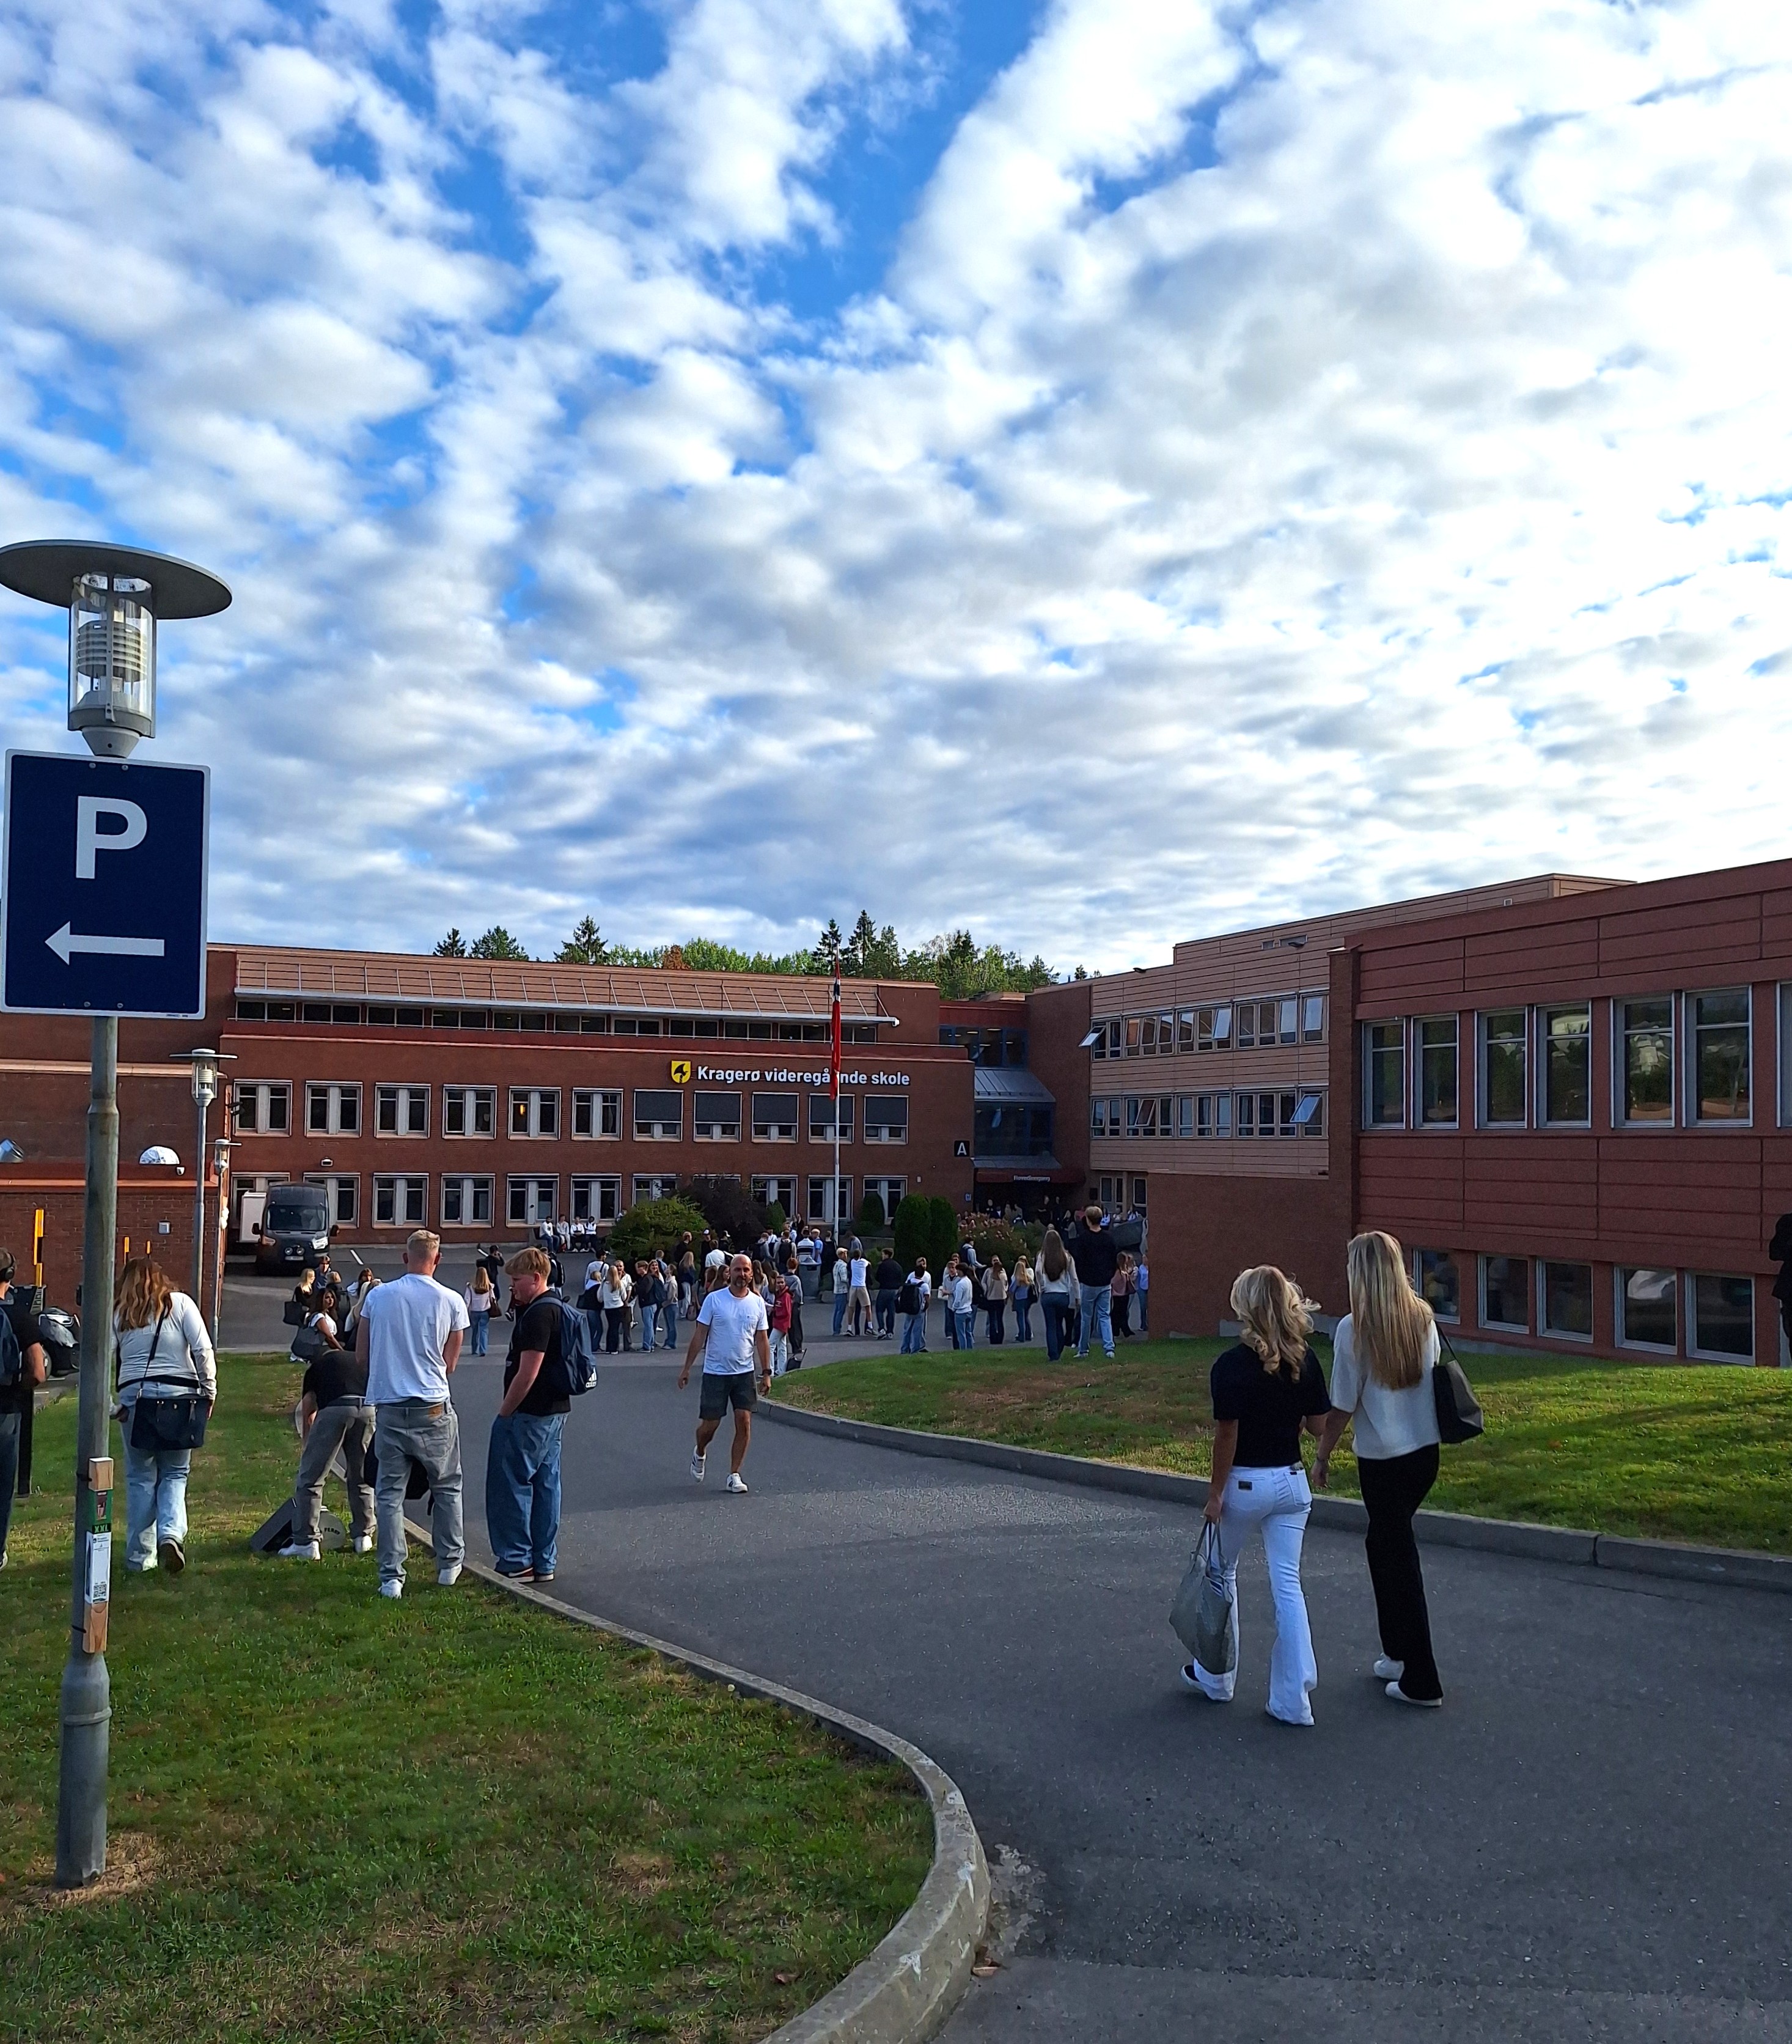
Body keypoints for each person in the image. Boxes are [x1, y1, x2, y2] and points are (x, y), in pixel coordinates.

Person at [1184, 1266, 1331, 1726]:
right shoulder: (1304, 1360)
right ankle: (1294, 1698)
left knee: (1221, 1575)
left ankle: (1217, 1677)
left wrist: (1215, 1493)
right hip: (1291, 1481)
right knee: (1288, 1584)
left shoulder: (1230, 1366)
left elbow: (1227, 1436)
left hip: (1246, 1483)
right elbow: (1318, 1426)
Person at [1313, 1232, 1445, 1708]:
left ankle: (1422, 1678)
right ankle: (1397, 1652)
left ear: (1360, 1274)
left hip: (1384, 1460)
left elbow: (1342, 1405)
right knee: (1385, 1544)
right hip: (1424, 1452)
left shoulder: (1353, 1329)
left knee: (1398, 1556)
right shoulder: (1423, 1318)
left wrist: (1323, 1454)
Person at [354, 1228, 469, 1600]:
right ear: (437, 1260)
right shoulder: (452, 1302)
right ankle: (449, 1563)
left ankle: (392, 1576)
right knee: (447, 1484)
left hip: (389, 1406)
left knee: (389, 1493)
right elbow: (450, 1364)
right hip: (433, 1405)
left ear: (405, 1258)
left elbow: (362, 1357)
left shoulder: (378, 1297)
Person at [112, 1256, 215, 1575]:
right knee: (174, 1473)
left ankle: (140, 1558)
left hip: (135, 1400)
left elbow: (99, 1359)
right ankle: (170, 1534)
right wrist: (208, 1391)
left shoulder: (120, 1314)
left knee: (141, 1477)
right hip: (179, 1399)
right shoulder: (180, 1304)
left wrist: (113, 1406)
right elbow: (203, 1350)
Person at [487, 1247, 570, 1584]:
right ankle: (544, 1559)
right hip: (555, 1410)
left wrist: (505, 1411)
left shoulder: (538, 1315)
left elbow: (528, 1372)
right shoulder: (560, 1310)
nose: (512, 1288)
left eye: (517, 1281)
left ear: (537, 1278)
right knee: (547, 1485)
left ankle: (516, 1559)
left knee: (511, 1484)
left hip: (530, 1413)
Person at [279, 1285, 373, 1561]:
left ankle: (307, 1542)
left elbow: (309, 1410)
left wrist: (308, 1444)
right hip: (367, 1409)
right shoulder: (354, 1360)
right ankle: (363, 1536)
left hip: (336, 1409)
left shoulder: (317, 1367)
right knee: (360, 1474)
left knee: (311, 1477)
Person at [678, 1252, 771, 1494]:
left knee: (744, 1421)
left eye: (746, 1270)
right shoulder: (714, 1300)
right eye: (738, 1270)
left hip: (744, 1373)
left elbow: (762, 1339)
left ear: (752, 1274)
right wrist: (687, 1368)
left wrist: (767, 1371)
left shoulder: (757, 1303)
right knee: (710, 1426)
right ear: (729, 1272)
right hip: (716, 1373)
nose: (742, 1274)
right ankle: (700, 1452)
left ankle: (734, 1474)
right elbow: (700, 1334)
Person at [0, 1249, 47, 1568]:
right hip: (6, 1407)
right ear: (10, 1276)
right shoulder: (19, 1316)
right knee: (3, 1483)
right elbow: (38, 1372)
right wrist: (19, 1384)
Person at [1069, 1207, 1118, 1359]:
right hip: (1105, 1282)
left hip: (1089, 1283)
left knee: (1086, 1317)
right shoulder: (1109, 1238)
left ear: (1088, 1220)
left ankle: (1083, 1349)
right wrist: (1110, 1275)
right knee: (1104, 1315)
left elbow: (1079, 1262)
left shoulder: (1083, 1239)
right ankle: (1109, 1348)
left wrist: (1082, 1277)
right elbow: (1113, 1259)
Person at [1037, 1229, 1079, 1361]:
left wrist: (1041, 1285)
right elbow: (1075, 1279)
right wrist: (1077, 1296)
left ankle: (1053, 1354)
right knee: (1059, 1323)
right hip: (1062, 1295)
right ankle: (1059, 1349)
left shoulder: (1043, 1256)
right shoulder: (1067, 1257)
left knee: (1050, 1325)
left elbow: (1038, 1270)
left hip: (1048, 1294)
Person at [898, 1257, 930, 1353]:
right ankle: (915, 1350)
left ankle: (904, 1349)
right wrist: (925, 1308)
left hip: (909, 1308)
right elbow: (927, 1299)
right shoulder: (924, 1286)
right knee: (917, 1331)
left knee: (907, 1330)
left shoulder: (909, 1282)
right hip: (919, 1310)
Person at [598, 1260, 630, 1353]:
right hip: (618, 1307)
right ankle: (614, 1348)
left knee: (610, 1327)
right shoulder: (620, 1284)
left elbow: (600, 1296)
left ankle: (609, 1348)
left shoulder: (604, 1284)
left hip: (608, 1308)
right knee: (615, 1328)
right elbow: (624, 1297)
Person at [464, 1265, 495, 1356]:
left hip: (474, 1312)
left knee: (475, 1331)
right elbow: (492, 1298)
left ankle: (474, 1349)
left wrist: (465, 1312)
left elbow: (467, 1300)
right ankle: (483, 1350)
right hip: (485, 1311)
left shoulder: (471, 1287)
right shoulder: (489, 1287)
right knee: (484, 1330)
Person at [768, 1274, 794, 1376]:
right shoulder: (780, 1295)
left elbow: (787, 1312)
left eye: (782, 1282)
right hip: (780, 1324)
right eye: (778, 1283)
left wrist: (776, 1312)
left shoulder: (786, 1296)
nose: (780, 1284)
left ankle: (770, 1371)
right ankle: (781, 1370)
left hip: (781, 1324)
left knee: (770, 1346)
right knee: (782, 1347)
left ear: (785, 1283)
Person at [874, 1249, 902, 1337]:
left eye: (883, 1254)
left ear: (886, 1255)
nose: (882, 1256)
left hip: (884, 1289)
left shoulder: (882, 1265)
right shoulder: (897, 1266)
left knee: (879, 1310)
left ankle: (881, 1329)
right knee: (891, 1312)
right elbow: (901, 1278)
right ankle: (890, 1331)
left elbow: (877, 1277)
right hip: (894, 1291)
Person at [949, 1257, 975, 1351]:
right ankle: (970, 1349)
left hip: (961, 1312)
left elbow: (958, 1300)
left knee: (961, 1334)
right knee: (968, 1332)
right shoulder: (969, 1281)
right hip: (969, 1309)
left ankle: (963, 1350)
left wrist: (954, 1308)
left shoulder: (960, 1284)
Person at [847, 1247, 873, 1337]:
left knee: (851, 1308)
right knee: (868, 1307)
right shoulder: (863, 1262)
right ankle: (870, 1326)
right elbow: (869, 1264)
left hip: (853, 1286)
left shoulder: (852, 1262)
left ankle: (849, 1328)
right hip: (862, 1286)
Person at [983, 1256, 1009, 1344]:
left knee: (992, 1319)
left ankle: (993, 1339)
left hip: (991, 1298)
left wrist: (986, 1291)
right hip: (1001, 1299)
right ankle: (1000, 1338)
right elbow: (1006, 1284)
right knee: (999, 1319)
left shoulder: (990, 1274)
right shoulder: (1003, 1274)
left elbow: (984, 1283)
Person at [1111, 1252, 1136, 1339]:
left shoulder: (1122, 1271)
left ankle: (1121, 1329)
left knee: (1121, 1312)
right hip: (1118, 1294)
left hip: (1123, 1294)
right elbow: (1114, 1281)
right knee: (1118, 1312)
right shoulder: (1117, 1271)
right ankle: (1118, 1329)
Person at [1011, 1255, 1035, 1345]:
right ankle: (1028, 1334)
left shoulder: (1017, 1279)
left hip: (1019, 1298)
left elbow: (1012, 1289)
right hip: (1026, 1299)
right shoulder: (1027, 1278)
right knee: (1025, 1317)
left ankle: (1022, 1336)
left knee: (1020, 1317)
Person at [832, 1247, 850, 1336]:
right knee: (841, 1311)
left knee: (837, 1310)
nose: (846, 1256)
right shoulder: (843, 1265)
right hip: (842, 1290)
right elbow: (844, 1279)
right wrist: (849, 1284)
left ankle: (835, 1328)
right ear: (841, 1255)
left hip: (836, 1289)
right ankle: (837, 1330)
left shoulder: (836, 1264)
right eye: (845, 1254)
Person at [1136, 1253, 1150, 1334]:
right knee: (1143, 1306)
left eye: (1145, 1258)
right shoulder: (1140, 1268)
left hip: (1149, 1288)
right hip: (1142, 1288)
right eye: (1143, 1259)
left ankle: (1149, 1324)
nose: (1144, 1260)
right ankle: (1143, 1324)